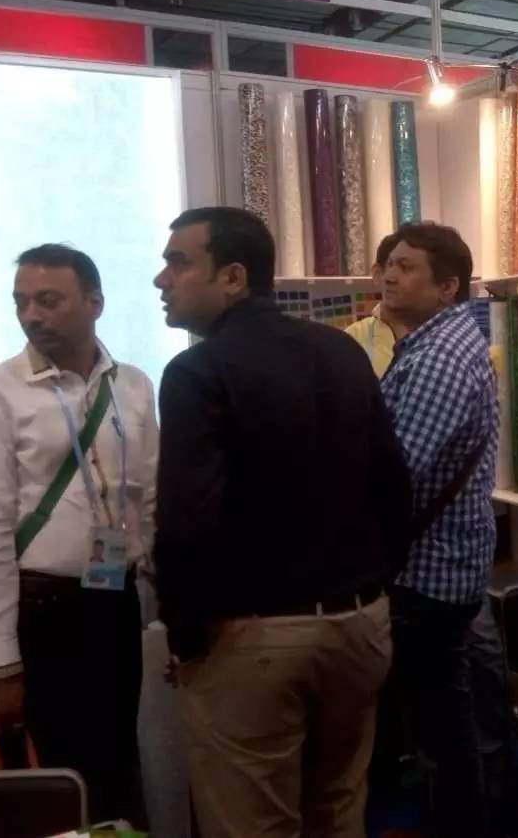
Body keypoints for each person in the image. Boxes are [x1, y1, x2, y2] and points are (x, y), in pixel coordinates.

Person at [152, 208, 411, 838]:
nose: (162, 279)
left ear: (234, 277)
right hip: (358, 626)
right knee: (339, 811)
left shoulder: (196, 372)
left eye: (178, 263)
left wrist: (184, 635)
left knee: (253, 824)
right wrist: (375, 593)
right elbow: (393, 484)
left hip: (253, 639)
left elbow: (189, 520)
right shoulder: (342, 351)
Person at [0, 244, 158, 821]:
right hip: (41, 613)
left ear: (95, 302)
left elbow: (149, 499)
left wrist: (164, 610)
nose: (31, 315)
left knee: (118, 761)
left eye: (48, 300)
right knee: (61, 778)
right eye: (21, 302)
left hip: (116, 599)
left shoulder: (133, 385)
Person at [376, 222, 498, 838]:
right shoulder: (436, 344)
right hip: (438, 564)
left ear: (448, 287)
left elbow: (392, 473)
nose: (389, 276)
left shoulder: (439, 359)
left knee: (442, 729)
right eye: (389, 264)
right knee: (441, 721)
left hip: (428, 572)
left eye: (406, 267)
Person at [344, 231, 404, 376]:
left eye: (406, 268)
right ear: (377, 274)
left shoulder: (444, 339)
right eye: (391, 266)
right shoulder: (352, 338)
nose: (393, 279)